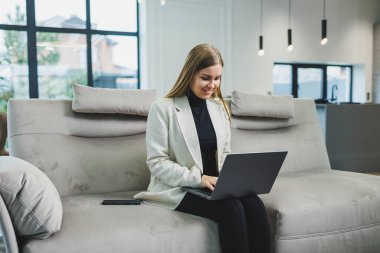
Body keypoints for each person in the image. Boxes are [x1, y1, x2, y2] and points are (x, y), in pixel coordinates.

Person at [134, 44, 271, 253]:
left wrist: (234, 179)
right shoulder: (162, 108)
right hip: (181, 187)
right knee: (231, 209)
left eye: (217, 78)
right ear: (190, 74)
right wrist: (199, 179)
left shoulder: (219, 108)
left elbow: (225, 153)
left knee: (255, 205)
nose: (212, 85)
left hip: (216, 184)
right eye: (206, 78)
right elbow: (157, 163)